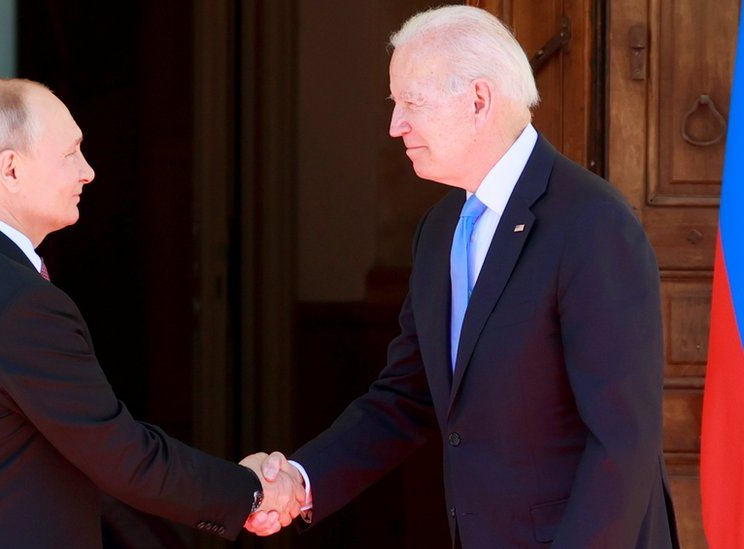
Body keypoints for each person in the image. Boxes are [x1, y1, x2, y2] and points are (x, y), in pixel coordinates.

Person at [246, 6, 680, 548]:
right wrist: (299, 481)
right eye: (394, 103)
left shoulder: (592, 224)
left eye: (412, 102)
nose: (395, 124)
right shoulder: (440, 228)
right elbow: (407, 395)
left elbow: (623, 443)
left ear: (478, 100)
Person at [0, 78, 304, 548]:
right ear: (11, 170)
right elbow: (123, 457)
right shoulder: (19, 301)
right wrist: (250, 491)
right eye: (71, 153)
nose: (88, 172)